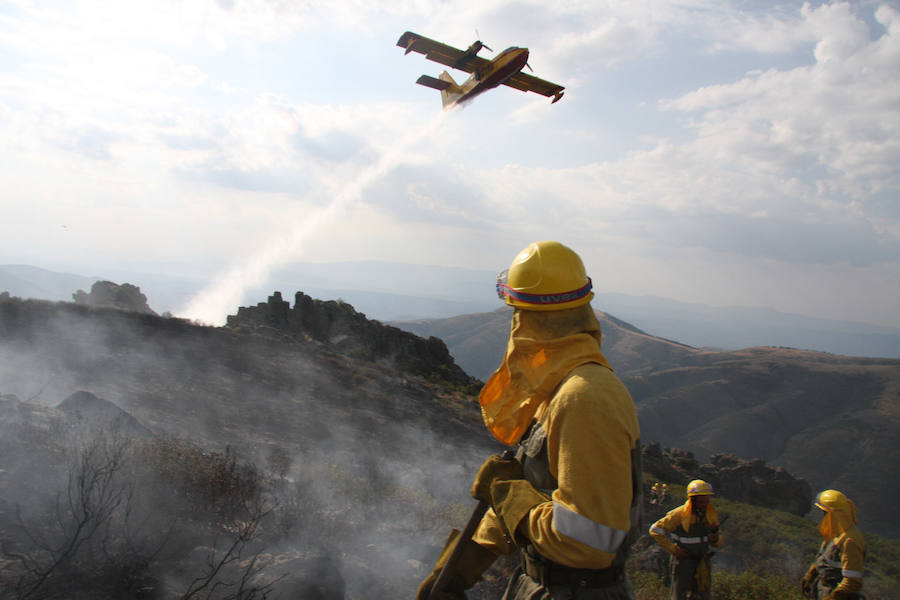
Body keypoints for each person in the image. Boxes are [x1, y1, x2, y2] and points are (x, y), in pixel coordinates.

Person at [416, 240, 643, 599]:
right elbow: (532, 497)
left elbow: (591, 542)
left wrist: (509, 496)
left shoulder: (585, 398)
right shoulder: (554, 388)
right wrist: (461, 566)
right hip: (540, 586)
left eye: (516, 312)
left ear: (527, 315)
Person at [649, 479, 722, 600]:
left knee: (703, 595)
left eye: (706, 501)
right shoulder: (678, 514)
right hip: (683, 563)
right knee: (679, 595)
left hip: (702, 562)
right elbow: (655, 530)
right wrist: (673, 549)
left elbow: (719, 541)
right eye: (701, 502)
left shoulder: (710, 514)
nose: (704, 504)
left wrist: (715, 539)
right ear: (693, 500)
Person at [800, 489, 866, 600]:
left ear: (833, 514)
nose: (823, 516)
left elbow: (852, 582)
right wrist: (811, 573)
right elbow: (824, 557)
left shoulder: (850, 540)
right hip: (824, 588)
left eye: (825, 512)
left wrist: (833, 597)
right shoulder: (836, 531)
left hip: (837, 594)